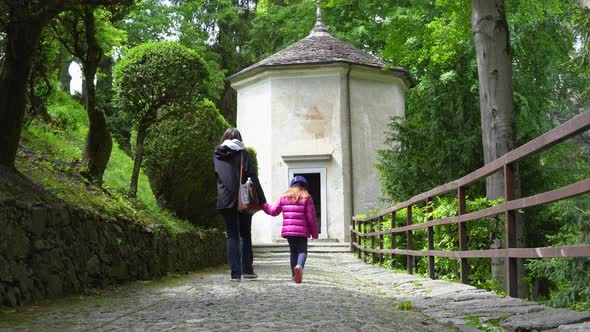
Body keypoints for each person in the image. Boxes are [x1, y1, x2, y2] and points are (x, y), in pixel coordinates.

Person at [214, 128, 266, 281]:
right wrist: (262, 201)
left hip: (225, 198)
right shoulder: (243, 153)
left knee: (231, 235)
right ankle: (248, 270)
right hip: (244, 199)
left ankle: (235, 274)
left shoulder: (217, 154)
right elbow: (252, 177)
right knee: (245, 234)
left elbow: (217, 175)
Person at [263, 175, 319, 283]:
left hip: (289, 231)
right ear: (304, 186)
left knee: (293, 252)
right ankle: (299, 266)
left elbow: (273, 211)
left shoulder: (284, 197)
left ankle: (294, 275)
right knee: (302, 251)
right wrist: (314, 233)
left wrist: (263, 205)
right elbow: (311, 217)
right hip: (302, 231)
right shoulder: (307, 197)